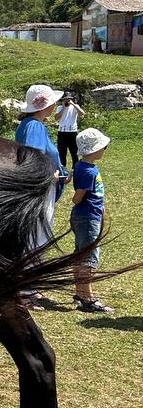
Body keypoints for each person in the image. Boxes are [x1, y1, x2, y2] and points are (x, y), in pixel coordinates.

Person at [14, 83, 69, 310]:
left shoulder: (31, 125)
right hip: (39, 189)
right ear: (46, 105)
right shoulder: (34, 127)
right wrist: (52, 175)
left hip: (41, 187)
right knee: (36, 236)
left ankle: (30, 287)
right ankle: (25, 290)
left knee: (37, 235)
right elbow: (33, 158)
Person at [70, 127, 115, 314]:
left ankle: (80, 294)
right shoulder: (87, 171)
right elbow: (78, 197)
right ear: (93, 150)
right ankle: (88, 299)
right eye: (102, 147)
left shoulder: (84, 167)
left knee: (80, 255)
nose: (104, 149)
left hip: (88, 215)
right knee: (88, 258)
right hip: (87, 218)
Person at [53, 93, 85, 170]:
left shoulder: (75, 107)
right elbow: (56, 118)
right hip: (62, 132)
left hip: (72, 132)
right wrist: (63, 108)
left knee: (74, 151)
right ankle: (62, 168)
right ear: (62, 100)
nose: (67, 101)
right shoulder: (60, 108)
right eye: (65, 99)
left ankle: (76, 167)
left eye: (68, 99)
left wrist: (73, 104)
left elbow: (82, 114)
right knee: (62, 151)